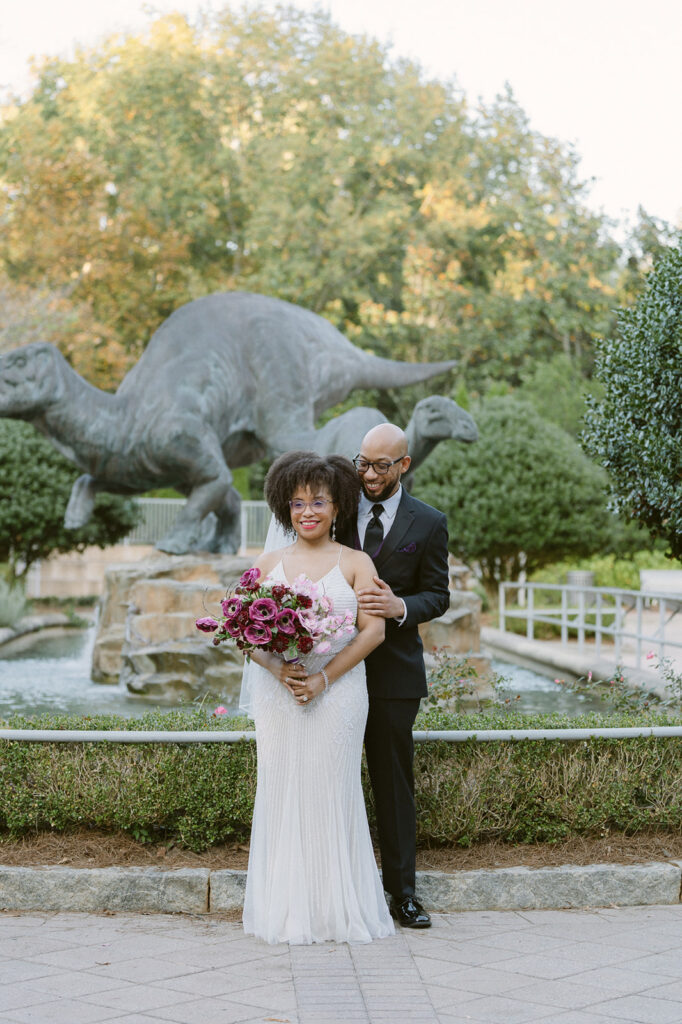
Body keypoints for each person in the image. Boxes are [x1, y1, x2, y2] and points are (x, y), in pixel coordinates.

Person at [241, 451, 394, 945]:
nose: (308, 511)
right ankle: (285, 910)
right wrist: (278, 667)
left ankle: (335, 911)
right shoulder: (266, 565)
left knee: (333, 791)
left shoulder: (356, 562)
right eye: (298, 502)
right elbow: (243, 635)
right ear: (285, 507)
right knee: (284, 790)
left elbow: (373, 633)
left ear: (337, 506)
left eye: (319, 502)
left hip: (340, 694)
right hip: (279, 696)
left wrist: (323, 678)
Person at [338, 423, 450, 929]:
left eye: (381, 465)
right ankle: (339, 890)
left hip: (394, 677)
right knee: (332, 780)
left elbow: (438, 595)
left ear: (405, 464)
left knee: (393, 785)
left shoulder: (428, 522)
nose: (369, 474)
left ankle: (402, 894)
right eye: (363, 462)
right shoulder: (335, 509)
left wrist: (400, 605)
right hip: (334, 670)